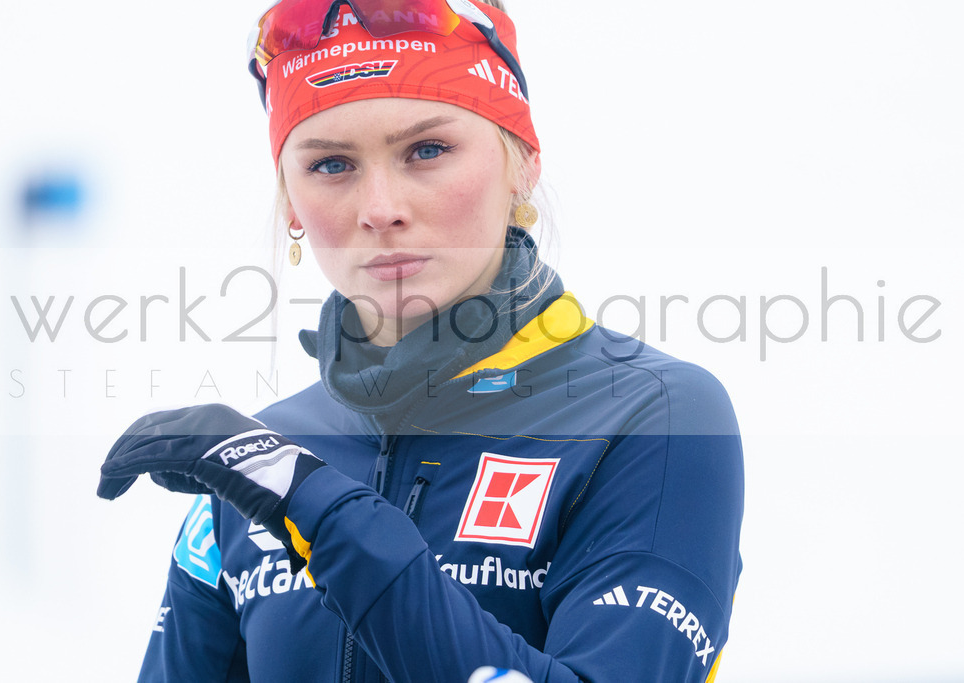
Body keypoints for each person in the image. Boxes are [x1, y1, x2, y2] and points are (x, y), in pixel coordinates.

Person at [97, 1, 744, 681]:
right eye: (331, 165)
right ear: (289, 200)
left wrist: (319, 506)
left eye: (427, 150)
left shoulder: (652, 415)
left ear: (522, 163)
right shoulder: (258, 460)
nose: (380, 208)